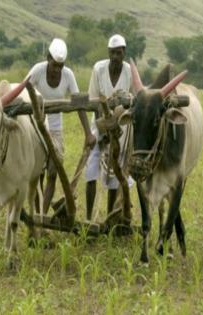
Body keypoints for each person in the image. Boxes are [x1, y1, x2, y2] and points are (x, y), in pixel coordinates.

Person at [27, 38, 95, 214]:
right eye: (54, 65)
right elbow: (23, 91)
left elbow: (79, 102)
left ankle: (42, 214)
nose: (57, 69)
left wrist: (88, 133)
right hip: (36, 128)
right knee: (37, 175)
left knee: (52, 172)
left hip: (56, 130)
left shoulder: (68, 75)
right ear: (48, 58)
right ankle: (37, 212)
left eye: (61, 66)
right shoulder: (37, 71)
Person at [85, 34, 133, 221]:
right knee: (91, 170)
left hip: (121, 130)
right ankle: (89, 218)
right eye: (112, 53)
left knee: (114, 173)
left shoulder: (129, 71)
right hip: (99, 126)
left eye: (119, 53)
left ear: (124, 53)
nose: (115, 57)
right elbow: (93, 101)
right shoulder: (99, 69)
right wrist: (103, 131)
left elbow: (133, 100)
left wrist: (115, 129)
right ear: (108, 53)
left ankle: (109, 217)